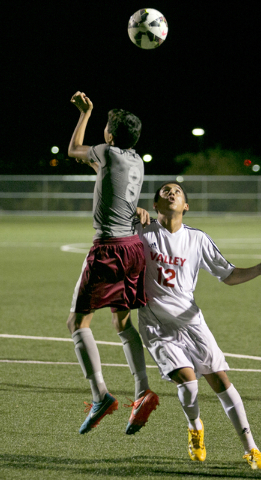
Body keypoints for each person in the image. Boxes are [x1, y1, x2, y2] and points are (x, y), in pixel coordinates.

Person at [134, 182, 261, 469]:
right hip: (156, 324)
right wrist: (131, 211)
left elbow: (228, 275)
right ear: (154, 206)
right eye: (165, 191)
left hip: (192, 322)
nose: (172, 193)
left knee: (221, 380)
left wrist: (259, 269)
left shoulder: (197, 239)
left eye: (177, 191)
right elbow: (110, 219)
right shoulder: (142, 232)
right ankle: (195, 428)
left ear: (186, 206)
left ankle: (251, 448)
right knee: (188, 383)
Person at [67, 91, 158, 436]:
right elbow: (104, 176)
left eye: (105, 125)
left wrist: (84, 114)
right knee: (122, 323)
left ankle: (100, 395)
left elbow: (75, 150)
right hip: (133, 248)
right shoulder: (135, 160)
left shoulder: (106, 152)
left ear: (109, 134)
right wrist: (135, 209)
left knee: (77, 323)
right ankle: (142, 390)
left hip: (108, 248)